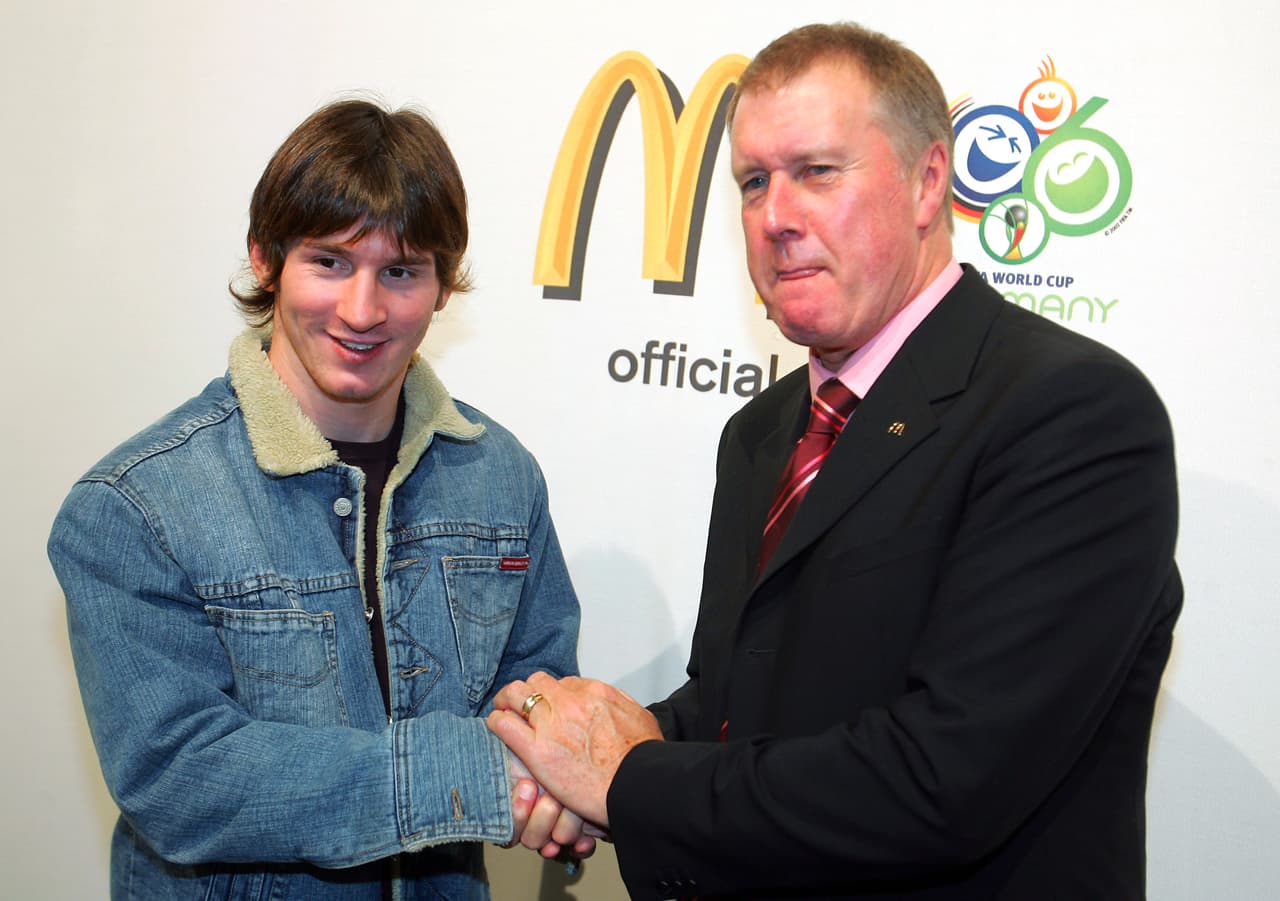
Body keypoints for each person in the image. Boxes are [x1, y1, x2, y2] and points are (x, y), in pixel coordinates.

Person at [488, 22, 1182, 900]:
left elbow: (945, 780)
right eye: (752, 182)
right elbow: (740, 703)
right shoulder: (763, 430)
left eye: (817, 171)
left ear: (930, 182)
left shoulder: (1071, 414)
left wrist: (624, 781)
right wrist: (600, 746)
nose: (776, 216)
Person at [48, 98, 590, 900]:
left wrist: (560, 785)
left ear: (442, 288)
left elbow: (543, 697)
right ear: (265, 261)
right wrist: (479, 775)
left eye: (400, 271)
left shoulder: (503, 476)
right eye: (330, 262)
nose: (362, 310)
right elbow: (184, 780)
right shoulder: (134, 506)